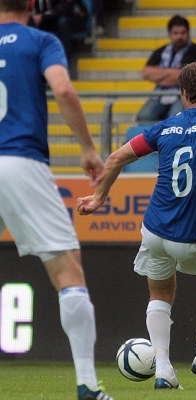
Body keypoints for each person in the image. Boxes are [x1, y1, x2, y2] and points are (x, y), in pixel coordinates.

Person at [77, 62, 196, 390]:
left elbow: (115, 158)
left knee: (159, 291)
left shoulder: (164, 128)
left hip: (154, 229)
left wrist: (99, 198)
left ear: (183, 94)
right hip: (193, 235)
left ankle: (163, 368)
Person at [0, 1, 113, 399]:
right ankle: (87, 384)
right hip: (19, 161)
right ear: (31, 5)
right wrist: (86, 147)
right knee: (68, 272)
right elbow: (63, 88)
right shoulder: (40, 40)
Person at [136, 15, 196, 122]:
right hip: (159, 95)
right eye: (176, 33)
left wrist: (160, 74)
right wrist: (174, 72)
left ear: (188, 33)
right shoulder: (161, 51)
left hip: (185, 96)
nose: (179, 37)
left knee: (174, 118)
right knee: (144, 116)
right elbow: (146, 73)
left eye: (183, 33)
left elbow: (186, 77)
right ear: (170, 34)